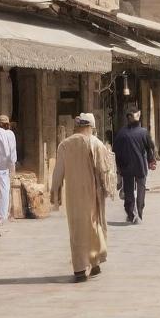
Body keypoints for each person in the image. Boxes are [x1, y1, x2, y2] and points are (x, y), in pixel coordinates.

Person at [50, 112, 113, 282]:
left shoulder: (65, 145)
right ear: (90, 127)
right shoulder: (96, 143)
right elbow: (104, 170)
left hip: (73, 194)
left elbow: (58, 171)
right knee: (94, 225)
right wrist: (107, 190)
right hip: (93, 193)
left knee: (77, 228)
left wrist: (55, 191)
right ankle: (95, 261)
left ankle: (79, 268)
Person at [112, 109, 156, 222]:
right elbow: (150, 147)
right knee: (141, 190)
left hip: (126, 167)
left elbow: (115, 150)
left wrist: (118, 166)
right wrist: (151, 161)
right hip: (140, 166)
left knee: (129, 191)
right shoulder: (143, 132)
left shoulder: (121, 133)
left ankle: (131, 214)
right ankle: (139, 214)